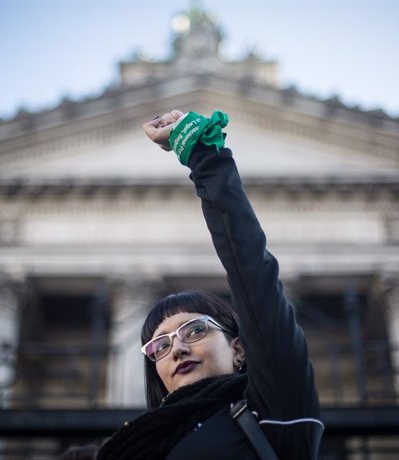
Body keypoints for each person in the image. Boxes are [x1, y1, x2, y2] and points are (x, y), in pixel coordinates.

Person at [97, 110, 323, 459]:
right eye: (160, 346)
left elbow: (251, 273)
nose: (177, 350)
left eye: (195, 331)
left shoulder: (276, 405)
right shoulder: (141, 442)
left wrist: (201, 152)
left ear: (239, 349)